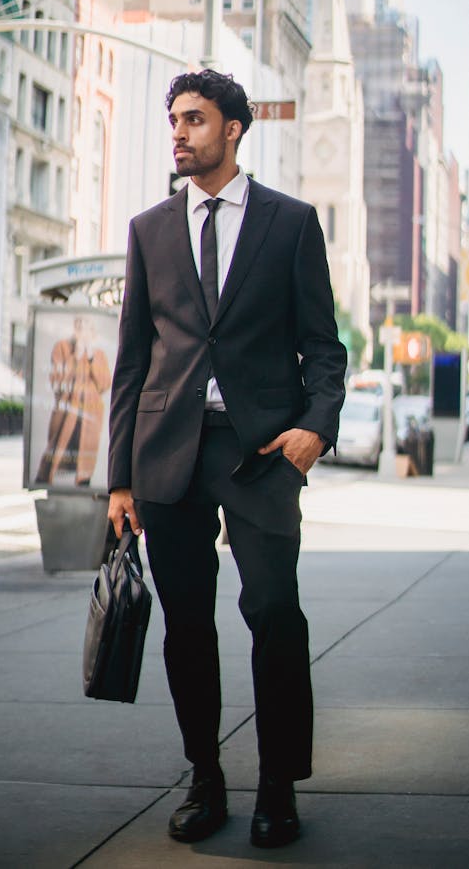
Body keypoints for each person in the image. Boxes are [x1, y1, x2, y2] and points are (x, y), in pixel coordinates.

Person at [107, 69, 347, 850]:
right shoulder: (150, 229)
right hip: (168, 452)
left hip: (261, 452)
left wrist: (317, 427)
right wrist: (119, 477)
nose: (178, 133)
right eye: (173, 119)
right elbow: (132, 360)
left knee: (275, 612)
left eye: (195, 120)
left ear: (234, 129)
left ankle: (278, 784)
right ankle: (204, 776)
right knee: (186, 626)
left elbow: (325, 348)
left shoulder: (291, 222)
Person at [35, 316, 111, 486]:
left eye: (88, 328)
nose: (83, 332)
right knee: (56, 450)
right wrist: (75, 356)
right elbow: (57, 382)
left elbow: (104, 384)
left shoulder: (98, 354)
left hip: (90, 414)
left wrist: (90, 357)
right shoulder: (62, 347)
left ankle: (83, 481)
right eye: (80, 327)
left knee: (85, 456)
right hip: (67, 411)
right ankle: (44, 480)